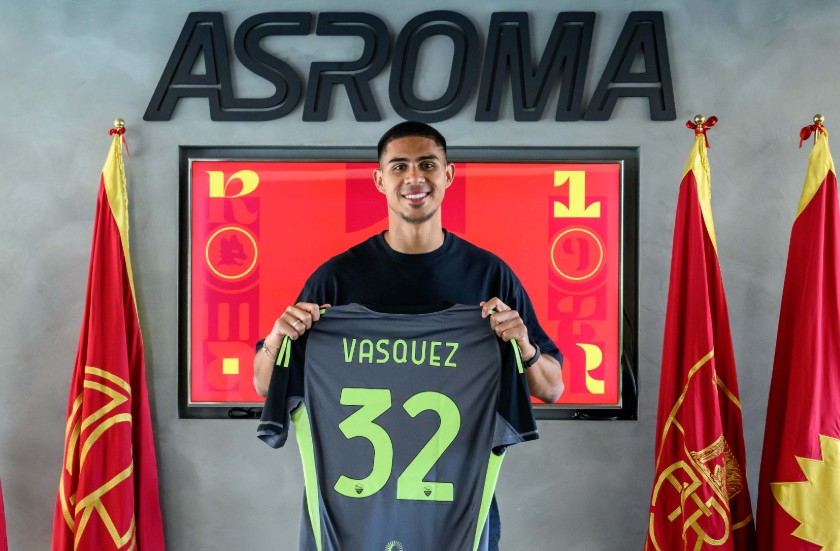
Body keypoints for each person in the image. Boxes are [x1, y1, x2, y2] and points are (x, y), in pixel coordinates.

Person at [253, 121, 564, 549]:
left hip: (458, 511)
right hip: (352, 515)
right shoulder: (337, 278)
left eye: (427, 164)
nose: (414, 178)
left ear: (448, 174)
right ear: (380, 180)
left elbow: (551, 388)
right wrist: (276, 339)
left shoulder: (489, 274)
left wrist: (524, 346)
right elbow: (264, 384)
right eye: (399, 166)